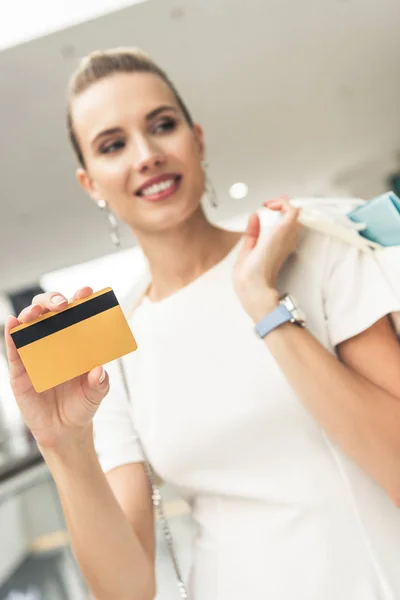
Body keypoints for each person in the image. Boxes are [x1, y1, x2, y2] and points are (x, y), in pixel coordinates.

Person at [4, 47, 400, 600]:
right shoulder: (114, 340)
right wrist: (63, 447)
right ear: (90, 181)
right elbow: (127, 589)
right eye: (113, 145)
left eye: (161, 126)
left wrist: (264, 306)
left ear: (197, 139)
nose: (145, 155)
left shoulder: (309, 249)